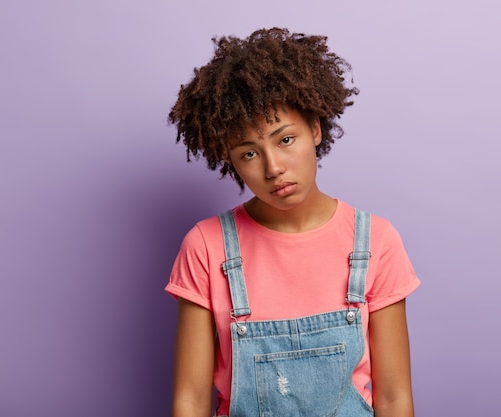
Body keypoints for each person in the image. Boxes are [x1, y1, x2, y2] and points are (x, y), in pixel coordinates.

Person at [165, 27, 421, 417]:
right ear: (230, 161)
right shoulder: (206, 246)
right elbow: (191, 400)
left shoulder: (375, 242)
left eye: (285, 140)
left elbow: (393, 399)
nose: (273, 168)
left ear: (315, 130)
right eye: (249, 153)